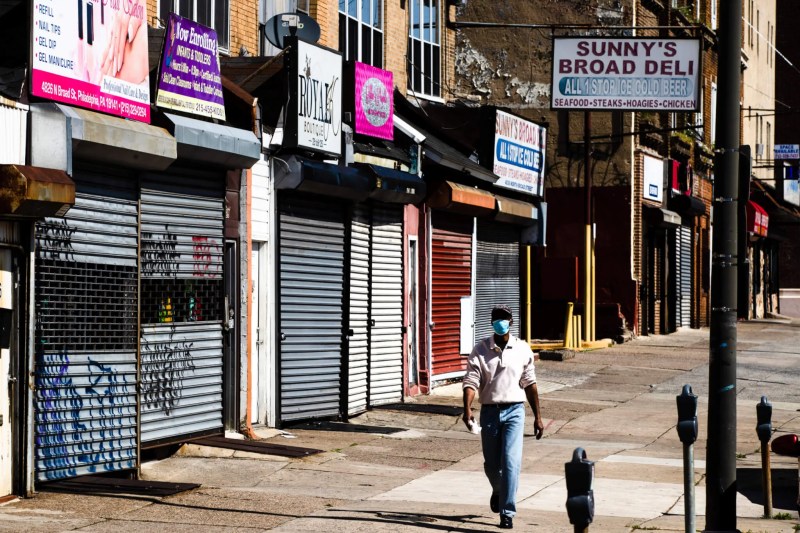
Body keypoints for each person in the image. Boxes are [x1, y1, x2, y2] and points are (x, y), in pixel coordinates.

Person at [462, 304, 543, 530]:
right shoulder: (480, 350)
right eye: (497, 318)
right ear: (491, 322)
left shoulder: (522, 349)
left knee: (511, 462)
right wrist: (467, 409)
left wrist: (538, 417)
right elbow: (471, 382)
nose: (501, 321)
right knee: (491, 465)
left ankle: (507, 512)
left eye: (504, 318)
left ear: (511, 322)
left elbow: (530, 384)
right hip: (490, 412)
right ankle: (498, 490)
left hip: (515, 411)